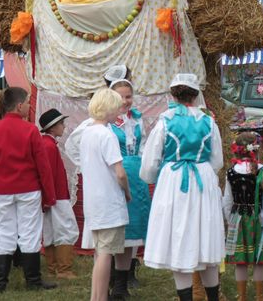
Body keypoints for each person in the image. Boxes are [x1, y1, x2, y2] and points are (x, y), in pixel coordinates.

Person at [140, 73, 224, 301]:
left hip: (175, 180)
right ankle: (213, 297)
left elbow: (149, 164)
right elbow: (217, 160)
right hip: (202, 178)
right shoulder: (208, 121)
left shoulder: (165, 121)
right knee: (205, 235)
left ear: (173, 94)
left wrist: (155, 176)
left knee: (179, 235)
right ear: (196, 95)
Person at [0, 86, 56, 292]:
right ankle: (33, 281)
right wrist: (49, 195)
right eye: (28, 102)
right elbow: (43, 167)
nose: (30, 106)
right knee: (29, 233)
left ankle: (0, 284)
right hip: (28, 189)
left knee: (3, 234)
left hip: (1, 191)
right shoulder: (30, 130)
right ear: (20, 105)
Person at [80, 88, 131, 301]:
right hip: (109, 201)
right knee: (105, 254)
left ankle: (96, 296)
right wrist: (127, 192)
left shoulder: (87, 132)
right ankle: (99, 298)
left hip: (93, 201)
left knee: (100, 252)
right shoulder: (107, 134)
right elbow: (120, 173)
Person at [109, 78, 152, 295]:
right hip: (117, 176)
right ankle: (111, 278)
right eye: (121, 97)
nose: (126, 101)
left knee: (132, 230)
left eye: (128, 96)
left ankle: (122, 283)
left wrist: (143, 162)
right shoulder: (106, 122)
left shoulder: (136, 119)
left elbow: (143, 145)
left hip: (136, 176)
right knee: (116, 230)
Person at [222, 132, 263, 301]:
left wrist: (230, 220)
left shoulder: (230, 172)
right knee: (258, 261)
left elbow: (227, 200)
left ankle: (242, 297)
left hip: (237, 219)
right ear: (255, 150)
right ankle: (260, 296)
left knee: (240, 261)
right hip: (257, 218)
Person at [39, 109, 79, 280]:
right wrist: (51, 197)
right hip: (56, 196)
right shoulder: (48, 146)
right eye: (61, 124)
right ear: (53, 127)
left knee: (50, 230)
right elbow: (47, 174)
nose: (64, 126)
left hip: (52, 195)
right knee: (66, 228)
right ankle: (63, 269)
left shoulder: (47, 144)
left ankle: (52, 267)